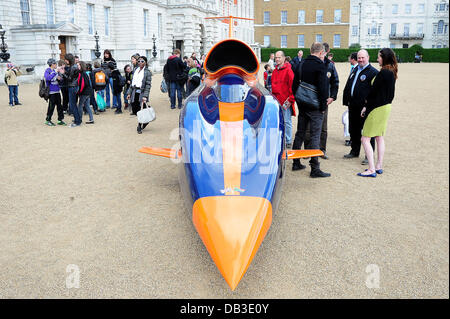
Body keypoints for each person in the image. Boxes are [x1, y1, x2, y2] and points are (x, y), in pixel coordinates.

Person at [291, 42, 330, 178]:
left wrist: (299, 99)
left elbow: (294, 84)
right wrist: (323, 107)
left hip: (302, 104)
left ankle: (295, 162)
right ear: (320, 53)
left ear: (310, 50)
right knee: (315, 135)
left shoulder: (301, 63)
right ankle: (315, 168)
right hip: (315, 106)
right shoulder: (320, 65)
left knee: (300, 132)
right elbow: (323, 89)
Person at [357, 48, 398, 177]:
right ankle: (379, 166)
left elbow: (373, 93)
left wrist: (366, 107)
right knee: (379, 137)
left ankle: (371, 169)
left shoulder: (383, 73)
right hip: (386, 107)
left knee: (365, 138)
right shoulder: (392, 71)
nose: (377, 59)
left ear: (384, 58)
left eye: (379, 57)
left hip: (377, 108)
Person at [342, 49, 378, 162]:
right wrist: (346, 100)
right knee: (353, 129)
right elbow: (349, 85)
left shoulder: (373, 72)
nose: (360, 60)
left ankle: (369, 156)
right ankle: (354, 151)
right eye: (359, 57)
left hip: (364, 107)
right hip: (353, 105)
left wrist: (367, 105)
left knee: (367, 131)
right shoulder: (355, 69)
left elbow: (375, 92)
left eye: (363, 57)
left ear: (368, 57)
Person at [271, 50, 296, 148]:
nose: (277, 59)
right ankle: (280, 138)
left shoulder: (288, 71)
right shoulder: (275, 71)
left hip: (286, 101)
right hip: (276, 101)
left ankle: (288, 140)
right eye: (276, 57)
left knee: (286, 121)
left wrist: (291, 99)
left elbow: (293, 87)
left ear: (284, 58)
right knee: (278, 121)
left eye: (279, 57)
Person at [126, 56, 152, 134]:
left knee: (142, 109)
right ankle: (144, 121)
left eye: (142, 61)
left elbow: (148, 85)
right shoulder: (135, 70)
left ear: (145, 62)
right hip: (134, 91)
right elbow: (132, 82)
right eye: (139, 61)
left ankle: (139, 126)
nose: (140, 62)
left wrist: (145, 96)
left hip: (142, 92)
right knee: (135, 109)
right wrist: (129, 93)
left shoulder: (147, 72)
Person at [43, 58, 66, 126]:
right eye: (55, 64)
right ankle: (48, 120)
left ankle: (60, 119)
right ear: (52, 64)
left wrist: (60, 78)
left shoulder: (56, 71)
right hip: (51, 91)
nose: (56, 65)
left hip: (57, 90)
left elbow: (60, 79)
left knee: (59, 106)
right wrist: (54, 72)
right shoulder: (48, 70)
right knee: (51, 106)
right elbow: (47, 78)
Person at [75, 61, 94, 125]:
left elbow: (83, 84)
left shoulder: (82, 74)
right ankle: (91, 119)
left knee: (80, 105)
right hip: (88, 91)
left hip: (84, 92)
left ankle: (79, 119)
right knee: (87, 105)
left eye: (78, 65)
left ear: (81, 66)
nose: (77, 66)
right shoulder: (84, 73)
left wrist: (79, 92)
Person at [64, 53, 80, 125]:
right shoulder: (73, 66)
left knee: (72, 104)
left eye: (66, 59)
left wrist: (63, 73)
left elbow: (69, 79)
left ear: (68, 60)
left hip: (72, 86)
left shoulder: (73, 67)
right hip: (74, 86)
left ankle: (77, 121)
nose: (65, 61)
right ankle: (77, 119)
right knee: (73, 104)